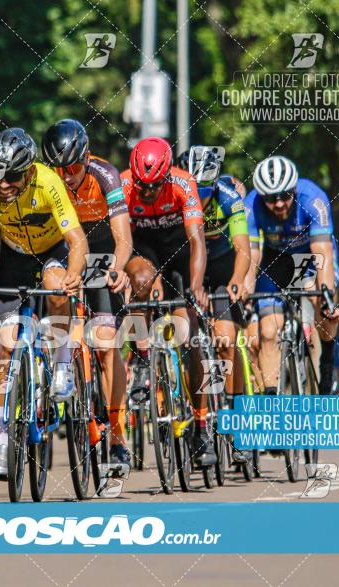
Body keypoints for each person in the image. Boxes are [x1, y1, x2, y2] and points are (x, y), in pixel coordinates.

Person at [0, 128, 88, 479]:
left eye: (12, 177)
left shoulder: (48, 182)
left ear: (29, 171)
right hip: (14, 257)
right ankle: (2, 438)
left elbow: (77, 240)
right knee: (6, 344)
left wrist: (74, 274)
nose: (4, 185)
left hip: (52, 252)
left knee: (56, 286)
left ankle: (62, 364)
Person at [42, 118, 133, 468]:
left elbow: (123, 238)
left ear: (87, 157)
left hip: (101, 253)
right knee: (54, 291)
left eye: (74, 167)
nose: (66, 176)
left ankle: (117, 434)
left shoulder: (105, 175)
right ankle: (61, 361)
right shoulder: (49, 181)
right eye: (59, 169)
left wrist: (117, 267)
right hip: (63, 249)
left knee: (108, 343)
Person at [121, 137, 215, 467]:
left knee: (188, 338)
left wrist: (195, 286)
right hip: (143, 248)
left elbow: (196, 239)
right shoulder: (123, 184)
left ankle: (201, 425)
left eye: (154, 186)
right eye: (141, 185)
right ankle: (145, 357)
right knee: (140, 284)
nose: (146, 192)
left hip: (179, 249)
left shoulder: (182, 182)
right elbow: (119, 237)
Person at [245, 155, 339, 398]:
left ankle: (327, 365)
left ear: (294, 189)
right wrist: (246, 294)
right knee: (268, 332)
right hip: (275, 260)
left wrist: (327, 297)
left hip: (309, 258)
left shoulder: (313, 199)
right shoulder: (250, 205)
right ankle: (270, 405)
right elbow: (251, 256)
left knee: (321, 303)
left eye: (284, 196)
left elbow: (321, 251)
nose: (278, 204)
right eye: (270, 198)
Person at [179, 146, 252, 463]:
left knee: (225, 340)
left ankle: (237, 422)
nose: (200, 197)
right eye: (195, 190)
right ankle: (199, 420)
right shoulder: (176, 196)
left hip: (222, 270)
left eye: (204, 190)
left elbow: (243, 249)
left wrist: (237, 280)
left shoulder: (227, 195)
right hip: (190, 269)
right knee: (189, 340)